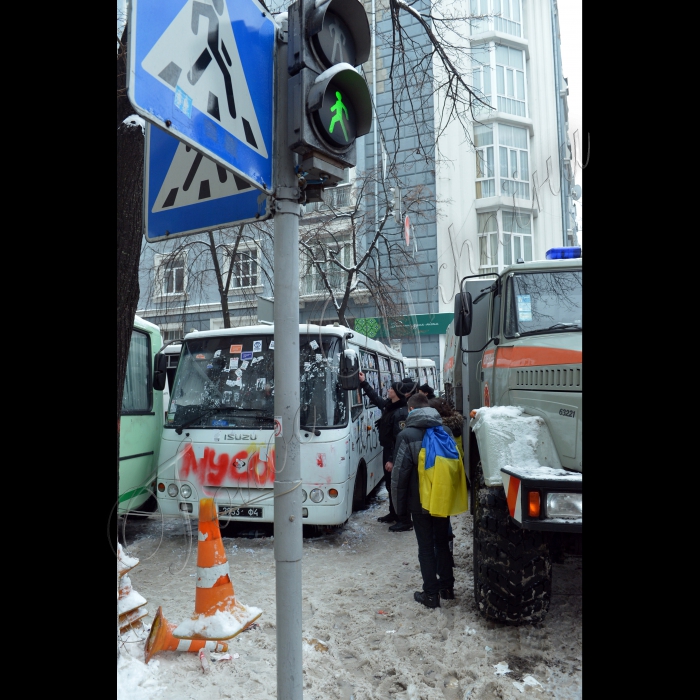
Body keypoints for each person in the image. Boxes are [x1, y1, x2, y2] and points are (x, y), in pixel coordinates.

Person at [391, 392, 457, 608]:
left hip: (419, 502)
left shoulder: (406, 435)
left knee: (426, 547)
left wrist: (400, 510)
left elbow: (400, 476)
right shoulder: (444, 430)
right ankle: (447, 588)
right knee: (442, 543)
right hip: (441, 497)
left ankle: (431, 594)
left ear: (411, 410)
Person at [357, 371, 413, 531]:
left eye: (391, 389)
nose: (388, 390)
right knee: (390, 485)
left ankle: (405, 520)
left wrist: (392, 460)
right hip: (388, 451)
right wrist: (364, 383)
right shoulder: (390, 406)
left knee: (398, 486)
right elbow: (377, 399)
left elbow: (399, 440)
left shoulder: (401, 412)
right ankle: (393, 514)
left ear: (396, 393)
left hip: (394, 454)